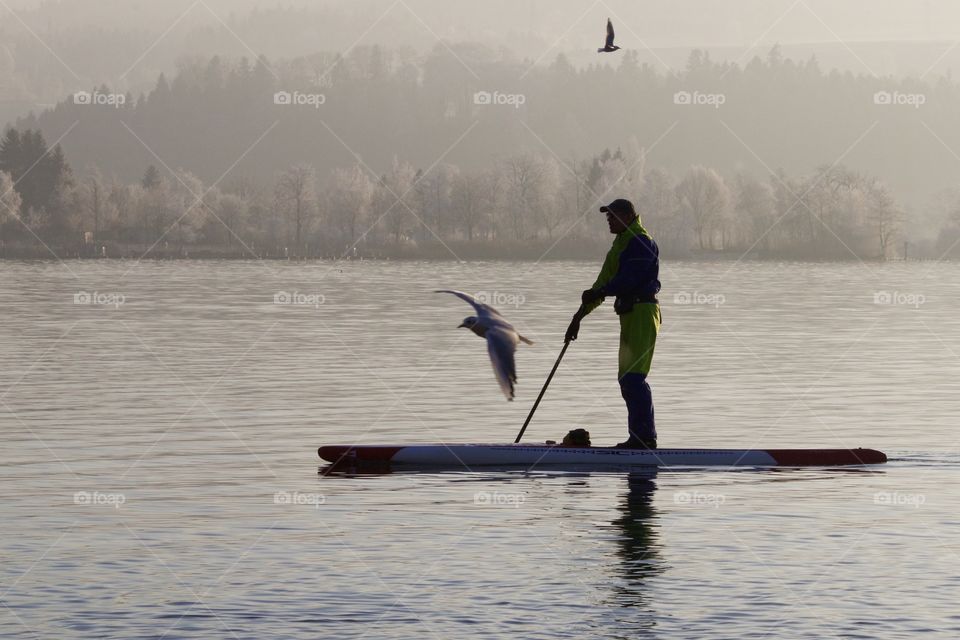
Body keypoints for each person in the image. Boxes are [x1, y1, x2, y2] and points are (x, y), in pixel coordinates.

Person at [565, 198, 661, 449]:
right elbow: (602, 284)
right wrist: (578, 317)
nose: (609, 220)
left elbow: (627, 281)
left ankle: (645, 440)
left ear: (629, 216)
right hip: (629, 315)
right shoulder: (619, 245)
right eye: (607, 216)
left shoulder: (640, 241)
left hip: (643, 313)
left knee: (633, 378)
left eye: (613, 216)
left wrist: (599, 293)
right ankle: (640, 438)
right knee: (626, 378)